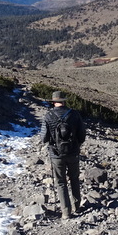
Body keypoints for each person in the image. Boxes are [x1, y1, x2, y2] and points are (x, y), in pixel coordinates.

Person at [40, 91, 86, 219]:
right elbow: (82, 135)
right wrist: (77, 145)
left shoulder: (48, 116)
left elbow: (44, 138)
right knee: (74, 179)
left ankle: (66, 212)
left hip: (56, 154)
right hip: (73, 152)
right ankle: (77, 206)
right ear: (65, 101)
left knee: (61, 182)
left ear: (53, 102)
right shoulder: (74, 114)